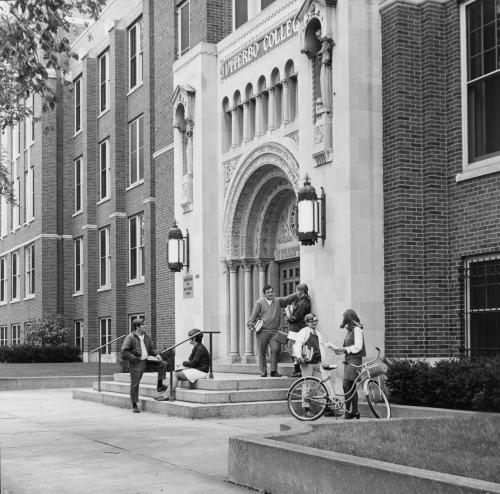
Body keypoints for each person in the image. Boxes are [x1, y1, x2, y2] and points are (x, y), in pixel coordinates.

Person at [120, 317, 169, 413]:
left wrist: (157, 354)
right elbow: (124, 351)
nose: (145, 326)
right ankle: (134, 404)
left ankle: (160, 385)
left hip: (147, 361)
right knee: (135, 384)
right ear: (137, 326)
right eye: (143, 324)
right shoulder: (130, 337)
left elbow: (152, 349)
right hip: (136, 363)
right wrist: (134, 359)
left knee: (163, 364)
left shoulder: (147, 337)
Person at [292, 313, 336, 417]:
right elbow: (298, 344)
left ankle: (325, 408)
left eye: (316, 320)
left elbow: (322, 347)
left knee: (320, 386)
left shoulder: (318, 333)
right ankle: (307, 410)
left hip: (317, 363)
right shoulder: (304, 332)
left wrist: (332, 350)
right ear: (307, 322)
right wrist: (299, 356)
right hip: (308, 363)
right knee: (307, 386)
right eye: (312, 321)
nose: (315, 322)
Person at [247, 284, 297, 377]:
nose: (270, 294)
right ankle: (263, 371)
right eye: (268, 292)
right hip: (262, 331)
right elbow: (254, 314)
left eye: (271, 292)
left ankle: (274, 371)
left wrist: (298, 293)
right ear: (264, 294)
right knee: (262, 352)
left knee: (276, 349)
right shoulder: (259, 302)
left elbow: (288, 299)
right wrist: (250, 323)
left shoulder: (278, 301)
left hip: (274, 332)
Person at [155, 329, 210, 401]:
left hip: (201, 371)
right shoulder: (197, 347)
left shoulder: (200, 349)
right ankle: (166, 394)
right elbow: (193, 362)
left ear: (194, 338)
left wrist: (183, 363)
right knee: (176, 372)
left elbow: (192, 364)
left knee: (176, 374)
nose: (188, 339)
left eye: (190, 338)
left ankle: (167, 395)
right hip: (198, 369)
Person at [333, 309, 366, 420]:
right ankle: (354, 412)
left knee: (346, 385)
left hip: (355, 360)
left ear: (348, 318)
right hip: (349, 360)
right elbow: (349, 347)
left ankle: (349, 413)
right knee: (350, 387)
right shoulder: (350, 330)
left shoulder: (357, 329)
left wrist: (344, 348)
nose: (343, 320)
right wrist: (340, 350)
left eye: (344, 318)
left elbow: (358, 347)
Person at [286, 283, 311, 377]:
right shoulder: (302, 301)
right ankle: (297, 369)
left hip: (297, 329)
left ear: (302, 291)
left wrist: (288, 317)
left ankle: (297, 370)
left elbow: (297, 316)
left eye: (297, 290)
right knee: (293, 349)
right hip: (296, 328)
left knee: (292, 349)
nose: (296, 292)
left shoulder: (304, 302)